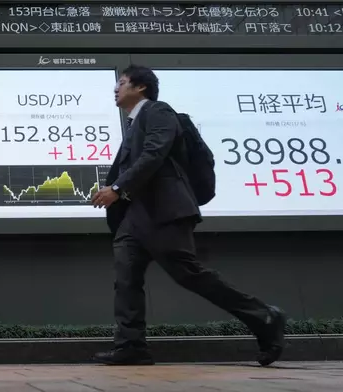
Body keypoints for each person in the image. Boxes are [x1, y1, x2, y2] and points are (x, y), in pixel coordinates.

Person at [91, 65, 286, 367]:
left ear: (141, 87)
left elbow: (154, 153)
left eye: (122, 82)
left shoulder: (158, 111)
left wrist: (117, 187)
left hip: (163, 212)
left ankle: (265, 316)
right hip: (136, 215)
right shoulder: (134, 124)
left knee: (189, 274)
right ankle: (130, 346)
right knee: (126, 280)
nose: (115, 89)